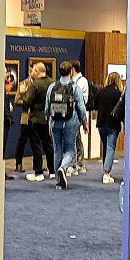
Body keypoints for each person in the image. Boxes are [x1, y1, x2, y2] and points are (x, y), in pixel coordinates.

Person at [45, 60, 87, 189]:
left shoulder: (52, 87)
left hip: (55, 122)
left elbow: (47, 107)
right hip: (70, 122)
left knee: (57, 149)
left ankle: (58, 180)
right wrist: (84, 123)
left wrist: (49, 122)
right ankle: (63, 168)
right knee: (70, 150)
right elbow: (81, 108)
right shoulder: (74, 88)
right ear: (71, 71)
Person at [23, 62, 54, 182]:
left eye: (33, 71)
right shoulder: (52, 83)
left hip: (36, 119)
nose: (32, 73)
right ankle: (52, 171)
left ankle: (39, 172)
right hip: (48, 120)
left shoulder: (35, 84)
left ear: (37, 71)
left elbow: (27, 100)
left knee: (36, 146)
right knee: (49, 145)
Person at [95, 71, 124, 184]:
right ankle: (107, 173)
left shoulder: (100, 92)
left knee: (105, 147)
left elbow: (95, 105)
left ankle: (106, 170)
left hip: (101, 124)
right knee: (111, 147)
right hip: (113, 124)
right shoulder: (118, 94)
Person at [68, 59, 90, 175]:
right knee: (76, 139)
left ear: (73, 70)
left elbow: (76, 99)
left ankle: (74, 165)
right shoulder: (72, 81)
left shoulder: (81, 81)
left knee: (72, 139)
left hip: (76, 115)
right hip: (72, 115)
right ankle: (80, 163)